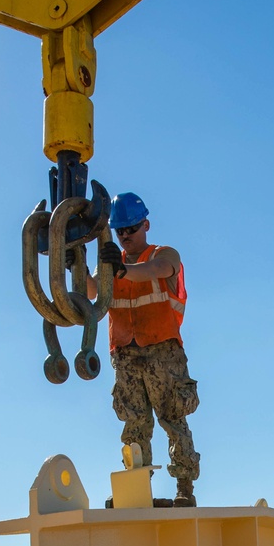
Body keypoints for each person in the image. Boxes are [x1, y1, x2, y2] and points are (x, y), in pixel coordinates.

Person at [95, 191, 200, 506]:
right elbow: (91, 291)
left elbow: (158, 270)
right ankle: (135, 491)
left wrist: (122, 271)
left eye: (132, 228)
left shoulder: (163, 253)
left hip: (163, 353)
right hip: (126, 356)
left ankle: (184, 490)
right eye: (120, 230)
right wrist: (71, 264)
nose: (126, 236)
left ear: (146, 225)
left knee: (174, 418)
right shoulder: (110, 266)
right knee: (134, 423)